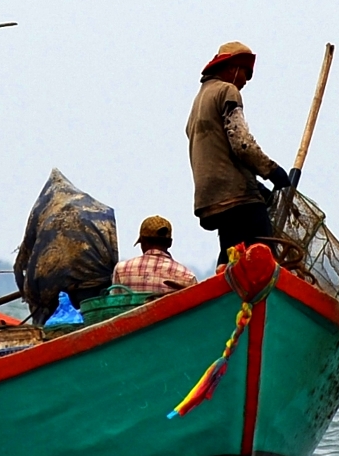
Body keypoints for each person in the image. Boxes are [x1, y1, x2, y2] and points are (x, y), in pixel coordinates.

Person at [186, 41, 290, 253]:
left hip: (210, 198)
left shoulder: (199, 99)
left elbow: (218, 149)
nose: (246, 81)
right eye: (246, 73)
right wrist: (271, 171)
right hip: (237, 196)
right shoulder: (227, 90)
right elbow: (241, 143)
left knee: (232, 254)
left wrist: (260, 187)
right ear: (232, 69)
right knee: (263, 252)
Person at [112, 216, 199, 296]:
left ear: (143, 242)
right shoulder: (187, 276)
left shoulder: (121, 269)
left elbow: (114, 305)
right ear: (170, 243)